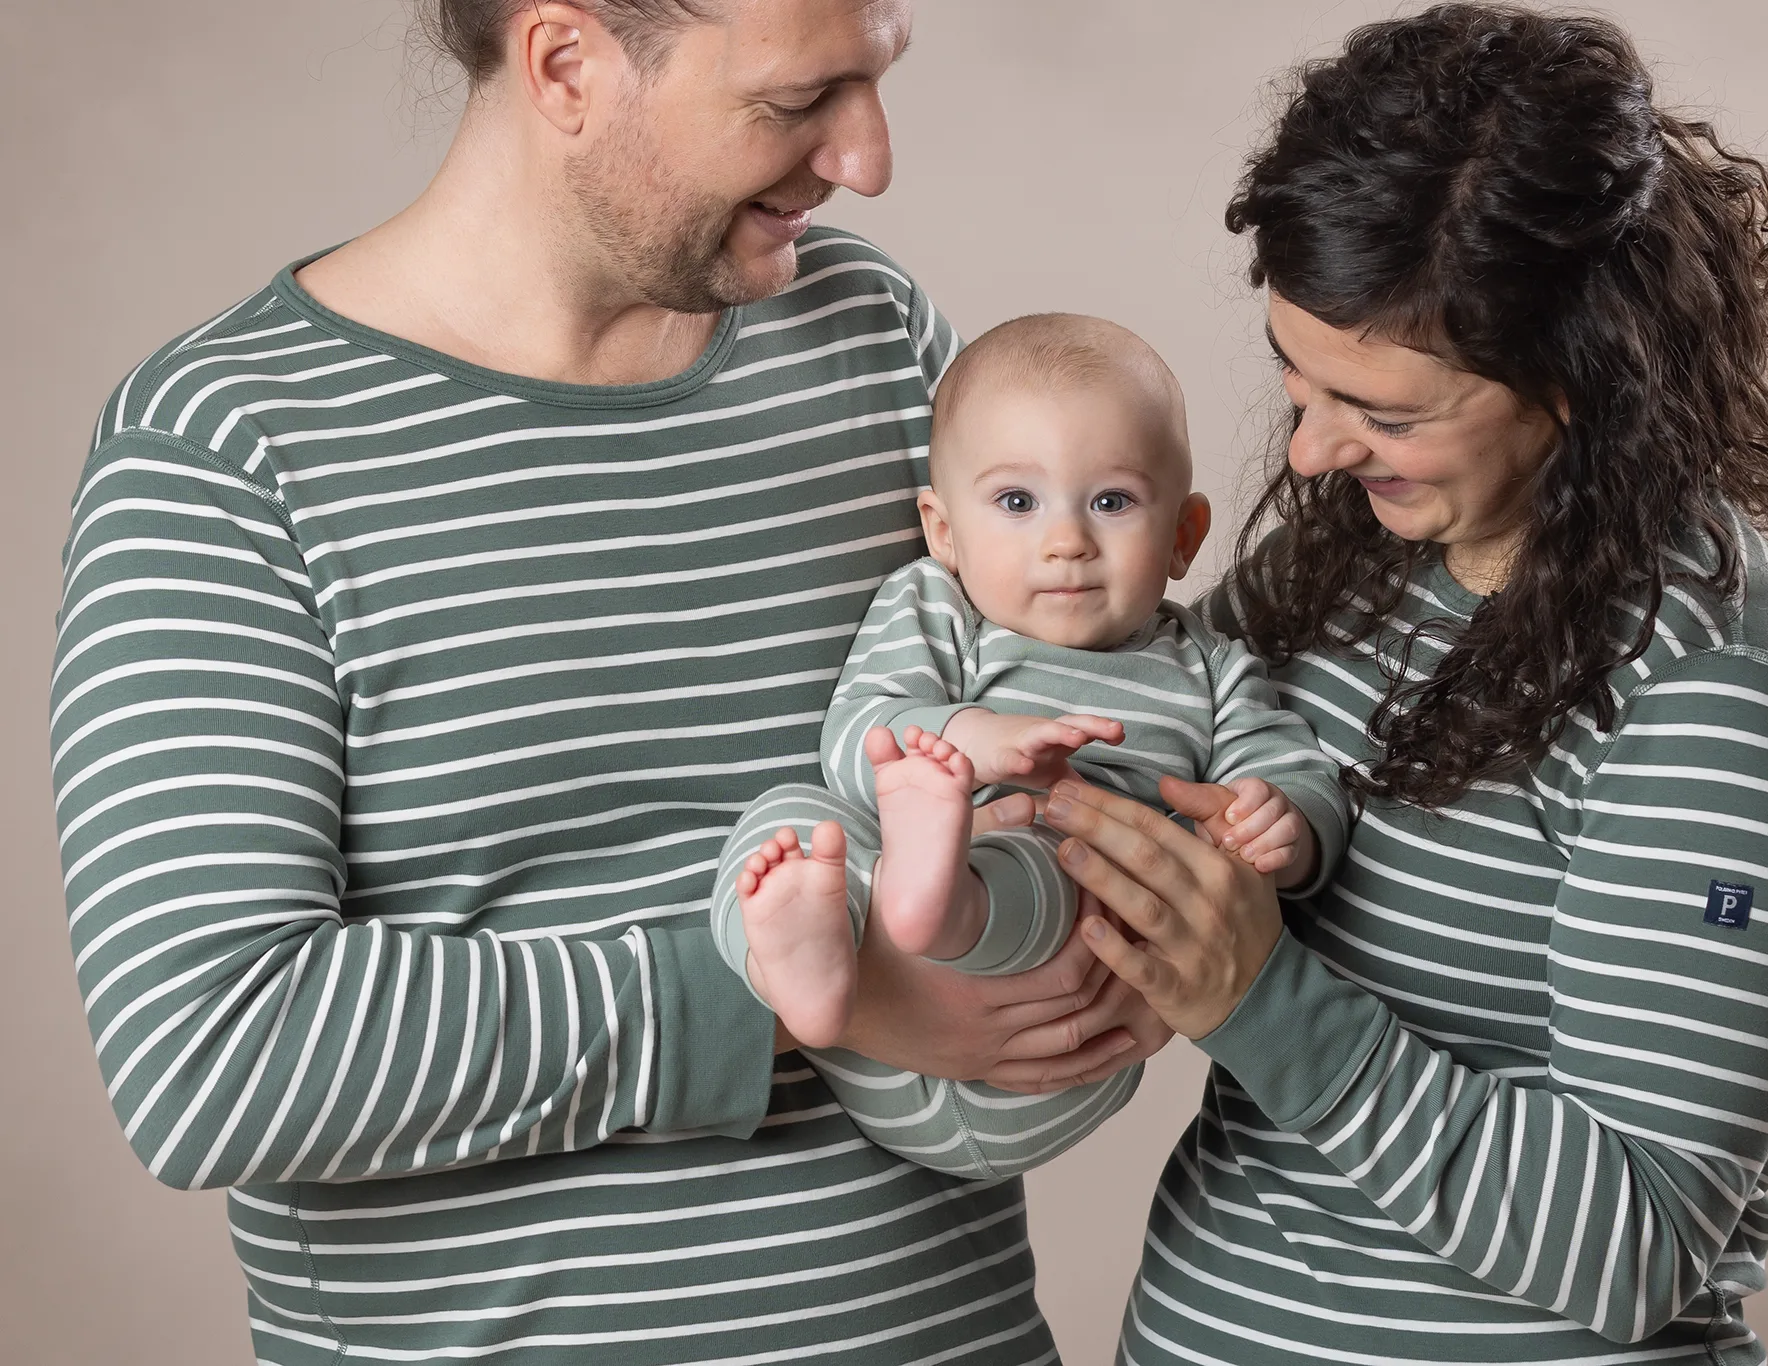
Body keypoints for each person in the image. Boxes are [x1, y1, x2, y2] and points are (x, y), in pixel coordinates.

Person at [48, 3, 1165, 1362]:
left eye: (877, 82)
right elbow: (208, 1059)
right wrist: (791, 991)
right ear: (568, 65)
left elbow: (1075, 731)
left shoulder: (867, 335)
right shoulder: (226, 450)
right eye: (798, 97)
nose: (867, 157)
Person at [1035, 6, 1768, 1363]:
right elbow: (1149, 739)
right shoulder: (1356, 560)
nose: (1309, 454)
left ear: (1576, 381)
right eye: (1296, 381)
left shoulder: (1719, 692)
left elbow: (1637, 1242)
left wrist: (1261, 1002)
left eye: (1386, 411)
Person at [707, 318, 1350, 1152]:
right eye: (1017, 502)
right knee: (789, 826)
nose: (1067, 542)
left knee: (1062, 859)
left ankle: (946, 901)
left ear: (1185, 536)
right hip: (872, 1027)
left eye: (1112, 502)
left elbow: (1289, 769)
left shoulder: (1208, 665)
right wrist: (972, 741)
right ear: (943, 530)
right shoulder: (937, 607)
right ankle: (798, 970)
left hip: (1065, 1022)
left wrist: (1281, 824)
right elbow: (859, 734)